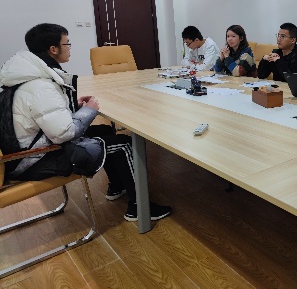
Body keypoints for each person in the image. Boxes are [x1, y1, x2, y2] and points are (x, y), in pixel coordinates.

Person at [0, 23, 171, 222]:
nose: (70, 48)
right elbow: (64, 133)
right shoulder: (40, 86)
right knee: (124, 144)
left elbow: (44, 117)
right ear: (53, 49)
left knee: (105, 130)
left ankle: (117, 186)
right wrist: (89, 111)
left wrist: (74, 107)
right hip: (33, 160)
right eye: (67, 43)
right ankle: (140, 207)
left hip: (25, 151)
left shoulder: (27, 77)